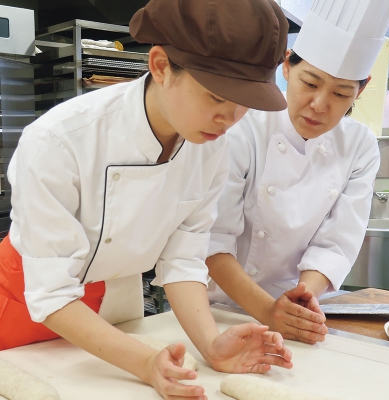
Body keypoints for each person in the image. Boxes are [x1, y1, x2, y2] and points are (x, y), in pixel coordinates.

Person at [0, 1, 293, 399]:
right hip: (22, 302)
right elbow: (50, 293)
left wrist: (211, 346)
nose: (230, 117)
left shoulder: (209, 146)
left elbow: (183, 259)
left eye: (245, 102)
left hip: (112, 305)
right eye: (216, 97)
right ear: (160, 66)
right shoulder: (59, 140)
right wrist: (143, 362)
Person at [207, 0, 389, 346]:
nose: (320, 105)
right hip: (220, 308)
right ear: (287, 65)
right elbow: (214, 241)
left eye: (341, 93)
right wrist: (268, 310)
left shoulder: (359, 146)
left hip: (297, 310)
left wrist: (302, 299)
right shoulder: (244, 126)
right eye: (310, 83)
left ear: (362, 88)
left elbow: (335, 244)